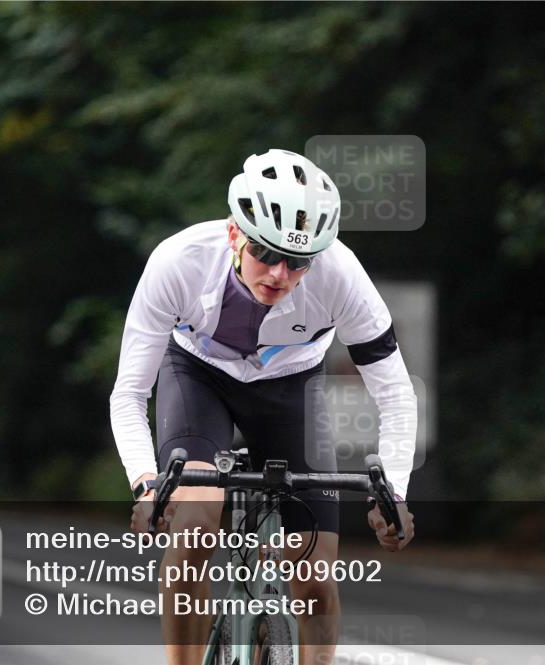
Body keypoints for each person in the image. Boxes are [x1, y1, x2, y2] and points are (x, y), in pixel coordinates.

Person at [109, 149, 417, 665]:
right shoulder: (177, 262)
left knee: (314, 578)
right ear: (234, 234)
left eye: (298, 262)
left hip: (291, 388)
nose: (279, 273)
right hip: (198, 378)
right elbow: (129, 393)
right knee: (194, 523)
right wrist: (144, 480)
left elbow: (396, 394)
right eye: (264, 254)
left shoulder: (342, 277)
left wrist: (396, 494)